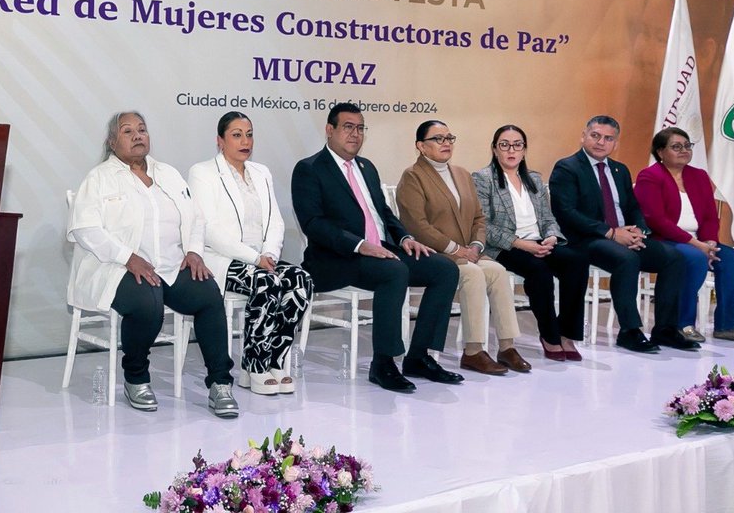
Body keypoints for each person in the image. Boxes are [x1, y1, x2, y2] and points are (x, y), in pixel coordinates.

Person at [66, 111, 238, 417]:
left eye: (142, 130)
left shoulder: (169, 174)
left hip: (172, 265)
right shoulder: (99, 178)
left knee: (209, 294)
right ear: (111, 141)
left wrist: (195, 251)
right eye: (127, 131)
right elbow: (85, 229)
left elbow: (196, 218)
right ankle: (136, 377)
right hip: (118, 268)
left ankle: (220, 383)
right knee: (148, 300)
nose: (137, 136)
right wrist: (128, 258)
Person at [291, 103, 461, 393]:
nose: (355, 134)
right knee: (393, 272)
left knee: (444, 269)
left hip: (380, 250)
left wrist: (405, 238)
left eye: (360, 128)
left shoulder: (366, 168)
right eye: (348, 127)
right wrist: (359, 245)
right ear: (329, 130)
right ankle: (383, 363)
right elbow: (313, 224)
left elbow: (383, 212)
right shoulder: (309, 169)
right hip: (333, 259)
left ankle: (419, 357)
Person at [188, 112, 313, 396]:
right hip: (223, 259)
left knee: (300, 280)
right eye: (236, 135)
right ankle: (254, 364)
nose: (245, 141)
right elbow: (208, 229)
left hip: (262, 257)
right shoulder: (203, 172)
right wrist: (255, 259)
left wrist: (268, 253)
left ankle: (275, 360)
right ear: (220, 141)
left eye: (249, 134)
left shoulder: (261, 172)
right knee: (267, 281)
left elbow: (275, 221)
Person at [549, 115, 697, 353]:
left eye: (608, 138)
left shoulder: (620, 170)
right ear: (583, 136)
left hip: (623, 236)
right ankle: (629, 331)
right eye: (595, 135)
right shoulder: (567, 167)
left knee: (674, 258)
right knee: (627, 259)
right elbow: (566, 212)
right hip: (586, 240)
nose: (601, 142)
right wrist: (610, 232)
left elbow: (632, 207)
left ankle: (666, 329)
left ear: (615, 144)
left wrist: (638, 230)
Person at [397, 121, 529, 376]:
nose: (446, 143)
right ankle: (473, 351)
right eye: (438, 139)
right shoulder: (412, 176)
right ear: (421, 147)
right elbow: (417, 226)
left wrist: (477, 245)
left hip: (469, 252)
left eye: (449, 137)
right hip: (436, 255)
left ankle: (506, 346)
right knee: (473, 273)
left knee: (498, 271)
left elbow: (479, 218)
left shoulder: (461, 173)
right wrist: (457, 249)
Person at [472, 125, 590, 362]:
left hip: (540, 241)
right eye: (504, 145)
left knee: (577, 261)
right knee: (540, 271)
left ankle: (566, 333)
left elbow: (548, 217)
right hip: (506, 246)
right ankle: (549, 336)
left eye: (517, 145)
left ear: (524, 150)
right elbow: (484, 224)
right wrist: (520, 244)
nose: (511, 150)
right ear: (495, 150)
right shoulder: (483, 179)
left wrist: (552, 237)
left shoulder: (534, 178)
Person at [634, 127, 734, 345]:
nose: (684, 150)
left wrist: (709, 242)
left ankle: (727, 326)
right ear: (661, 152)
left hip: (700, 240)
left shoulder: (699, 176)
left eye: (687, 145)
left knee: (729, 258)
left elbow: (710, 216)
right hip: (664, 239)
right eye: (676, 146)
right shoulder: (650, 176)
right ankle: (682, 324)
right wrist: (697, 245)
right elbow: (656, 220)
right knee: (694, 257)